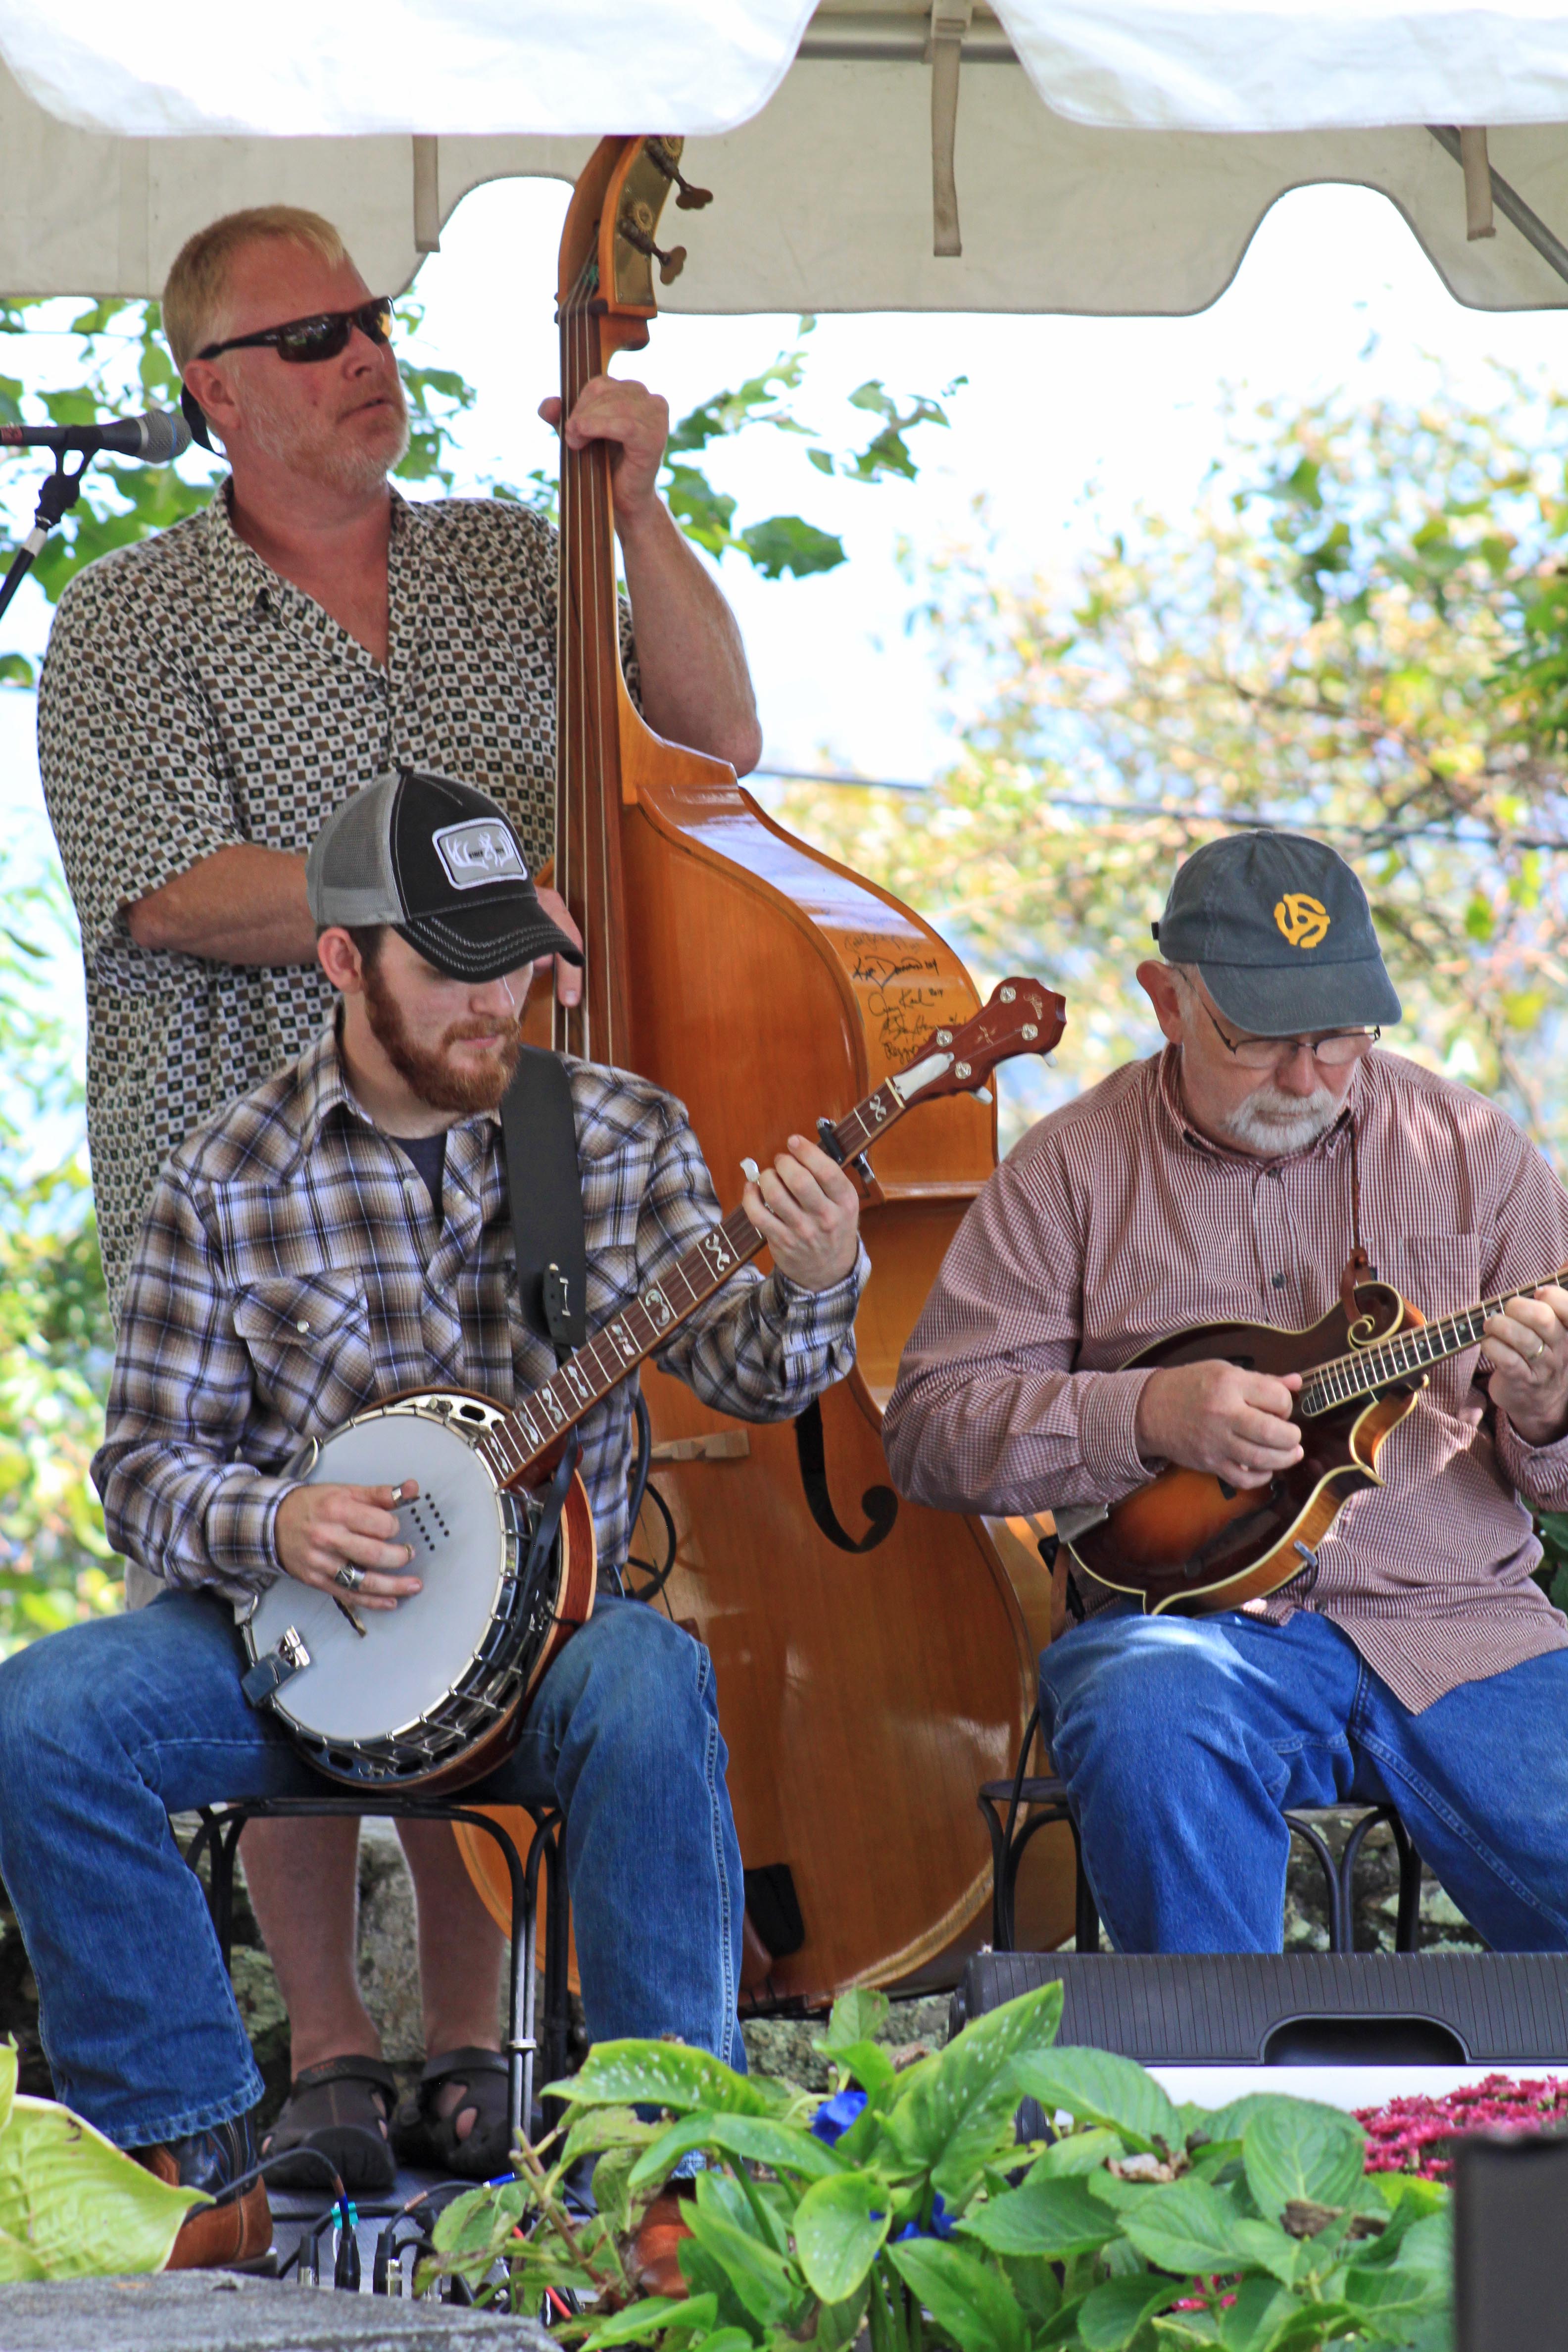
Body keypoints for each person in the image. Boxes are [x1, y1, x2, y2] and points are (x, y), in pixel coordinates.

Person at [35, 203, 763, 2187]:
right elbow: (172, 881)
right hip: (245, 1154)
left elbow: (714, 740)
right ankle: (324, 2055)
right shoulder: (126, 618)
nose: (367, 354)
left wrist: (632, 508)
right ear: (210, 392)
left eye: (373, 319)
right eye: (312, 337)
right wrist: (451, 905)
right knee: (285, 1575)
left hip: (510, 1125)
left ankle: (469, 2049)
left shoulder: (504, 557)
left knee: (501, 1546)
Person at [0, 770, 864, 2268]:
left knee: (653, 1680)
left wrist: (813, 1275)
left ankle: (669, 2184)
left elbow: (749, 1370)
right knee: (40, 1720)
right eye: (453, 967)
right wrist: (275, 1525)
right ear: (342, 962)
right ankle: (196, 2167)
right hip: (294, 1654)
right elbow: (143, 1462)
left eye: (516, 957)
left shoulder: (608, 1136)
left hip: (547, 1648)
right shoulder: (226, 1172)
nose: (498, 999)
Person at [884, 829, 1568, 1956]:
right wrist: (1141, 1415)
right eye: (1259, 1039)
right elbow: (930, 1431)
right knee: (1144, 1715)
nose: (1307, 1077)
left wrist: (1548, 1411)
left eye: (1342, 1037)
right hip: (1193, 1639)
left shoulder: (1468, 1149)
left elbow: (1555, 1464)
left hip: (1465, 1629)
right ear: (1167, 1000)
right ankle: (1221, 2108)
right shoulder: (1072, 1171)